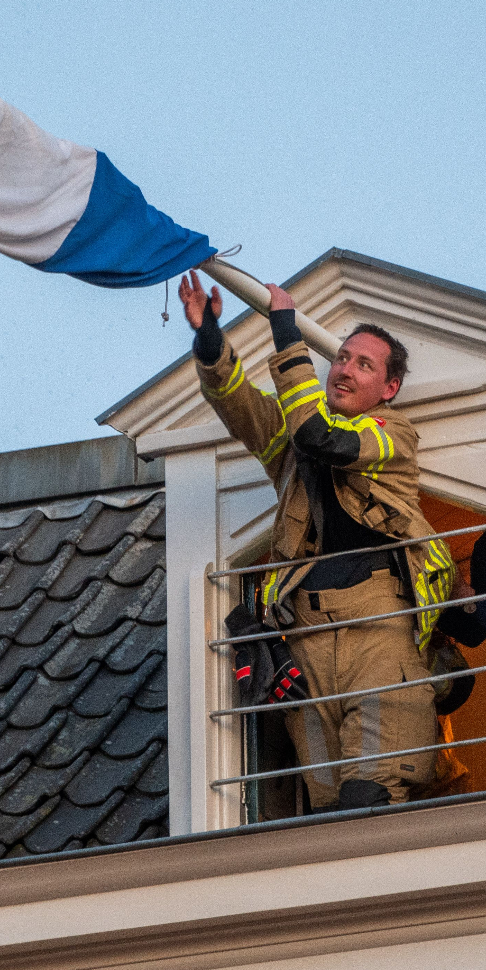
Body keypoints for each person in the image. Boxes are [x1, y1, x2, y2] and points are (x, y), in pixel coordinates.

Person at [179, 270, 455, 809]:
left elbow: (319, 436)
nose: (344, 370)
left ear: (389, 388)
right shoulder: (295, 434)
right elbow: (239, 402)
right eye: (342, 358)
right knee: (328, 811)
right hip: (305, 641)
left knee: (370, 792)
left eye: (363, 364)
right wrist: (209, 337)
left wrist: (287, 332)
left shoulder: (390, 434)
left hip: (376, 632)